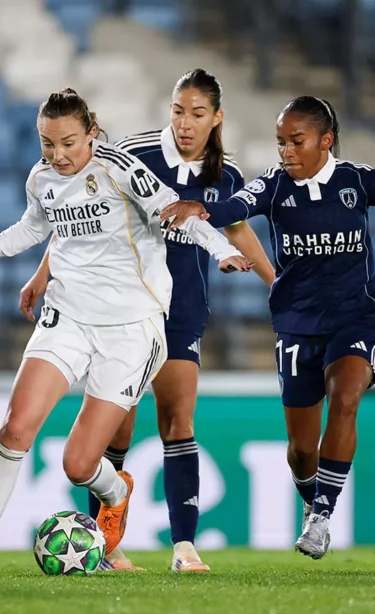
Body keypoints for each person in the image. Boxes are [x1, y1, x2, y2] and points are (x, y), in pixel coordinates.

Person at [0, 88, 255, 577]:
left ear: (92, 131)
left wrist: (222, 252)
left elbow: (180, 215)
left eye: (68, 142)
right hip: (67, 316)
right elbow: (31, 228)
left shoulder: (121, 169)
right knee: (14, 427)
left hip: (133, 327)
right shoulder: (41, 176)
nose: (58, 156)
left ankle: (119, 492)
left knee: (78, 464)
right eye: (47, 144)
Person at [20, 69, 275, 574]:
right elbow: (78, 211)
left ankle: (184, 549)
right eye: (179, 111)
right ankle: (107, 549)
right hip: (126, 311)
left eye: (197, 114)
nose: (185, 123)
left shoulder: (226, 175)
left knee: (178, 421)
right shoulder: (136, 153)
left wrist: (277, 283)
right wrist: (41, 274)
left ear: (216, 118)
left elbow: (239, 231)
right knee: (118, 433)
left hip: (182, 313)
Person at [160, 96, 375, 559]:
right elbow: (234, 207)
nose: (286, 150)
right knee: (301, 450)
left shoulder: (356, 180)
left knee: (345, 396)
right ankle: (313, 503)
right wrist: (199, 209)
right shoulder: (273, 185)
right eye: (281, 141)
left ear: (325, 141)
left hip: (357, 317)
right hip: (297, 324)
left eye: (296, 141)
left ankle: (322, 517)